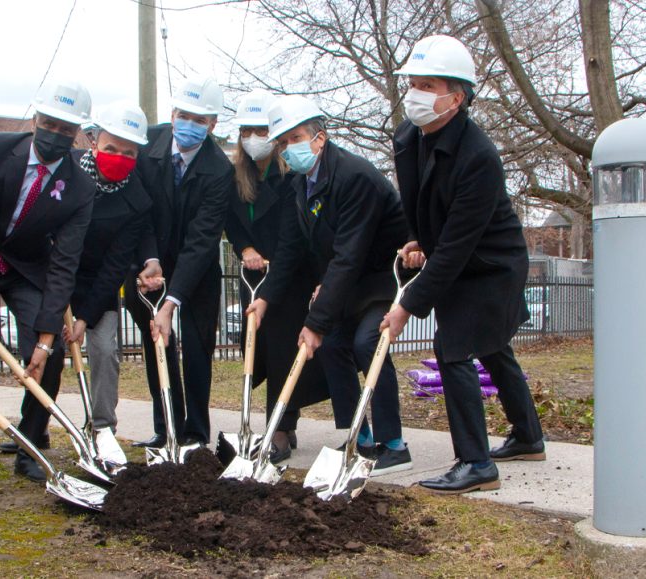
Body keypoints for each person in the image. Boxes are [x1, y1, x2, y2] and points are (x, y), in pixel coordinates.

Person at [381, 35, 546, 494]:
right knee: (493, 347)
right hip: (458, 257)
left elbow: (455, 247)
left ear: (457, 98)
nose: (415, 93)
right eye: (413, 82)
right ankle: (529, 437)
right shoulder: (407, 136)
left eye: (427, 84)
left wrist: (407, 306)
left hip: (492, 264)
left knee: (454, 347)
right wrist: (413, 237)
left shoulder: (479, 158)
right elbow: (412, 197)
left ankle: (476, 464)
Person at [249, 95, 412, 476]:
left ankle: (393, 443)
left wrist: (316, 319)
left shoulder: (354, 176)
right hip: (349, 280)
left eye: (295, 138)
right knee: (334, 346)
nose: (289, 149)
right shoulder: (298, 184)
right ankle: (361, 436)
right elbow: (289, 249)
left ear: (319, 137)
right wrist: (267, 297)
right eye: (283, 142)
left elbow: (350, 253)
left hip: (384, 276)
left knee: (367, 342)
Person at [0, 80, 94, 483]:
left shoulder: (80, 188)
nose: (55, 134)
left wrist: (46, 336)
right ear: (36, 118)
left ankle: (31, 443)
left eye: (66, 129)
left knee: (48, 355)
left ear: (76, 134)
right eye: (50, 123)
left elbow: (65, 263)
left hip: (28, 270)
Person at [126, 75, 234, 447]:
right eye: (184, 114)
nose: (189, 123)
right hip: (149, 265)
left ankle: (195, 433)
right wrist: (150, 260)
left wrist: (173, 300)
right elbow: (138, 211)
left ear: (212, 124)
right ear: (172, 113)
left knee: (198, 350)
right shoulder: (147, 145)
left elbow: (202, 239)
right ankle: (166, 426)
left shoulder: (220, 169)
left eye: (200, 119)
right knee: (158, 345)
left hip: (197, 271)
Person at [224, 89, 328, 462]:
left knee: (285, 350)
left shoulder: (290, 177)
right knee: (260, 350)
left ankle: (281, 427)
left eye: (261, 129)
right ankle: (277, 422)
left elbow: (292, 238)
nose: (254, 138)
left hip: (288, 275)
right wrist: (244, 250)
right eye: (246, 130)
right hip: (253, 274)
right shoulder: (237, 175)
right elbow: (231, 222)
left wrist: (273, 269)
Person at [63, 101, 152, 442]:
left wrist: (85, 316)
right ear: (94, 141)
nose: (118, 156)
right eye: (111, 147)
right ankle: (34, 424)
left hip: (98, 287)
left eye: (128, 152)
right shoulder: (65, 174)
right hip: (55, 279)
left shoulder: (137, 200)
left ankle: (102, 427)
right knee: (47, 350)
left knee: (103, 349)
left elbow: (116, 265)